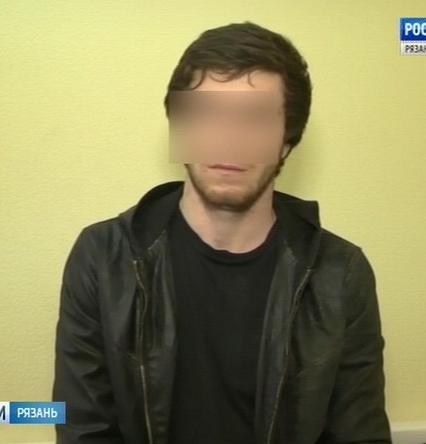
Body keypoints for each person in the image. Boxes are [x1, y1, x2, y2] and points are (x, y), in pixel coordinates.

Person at [52, 21, 392, 444]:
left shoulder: (341, 273)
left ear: (287, 141)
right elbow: (84, 429)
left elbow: (360, 434)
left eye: (255, 118)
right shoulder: (103, 256)